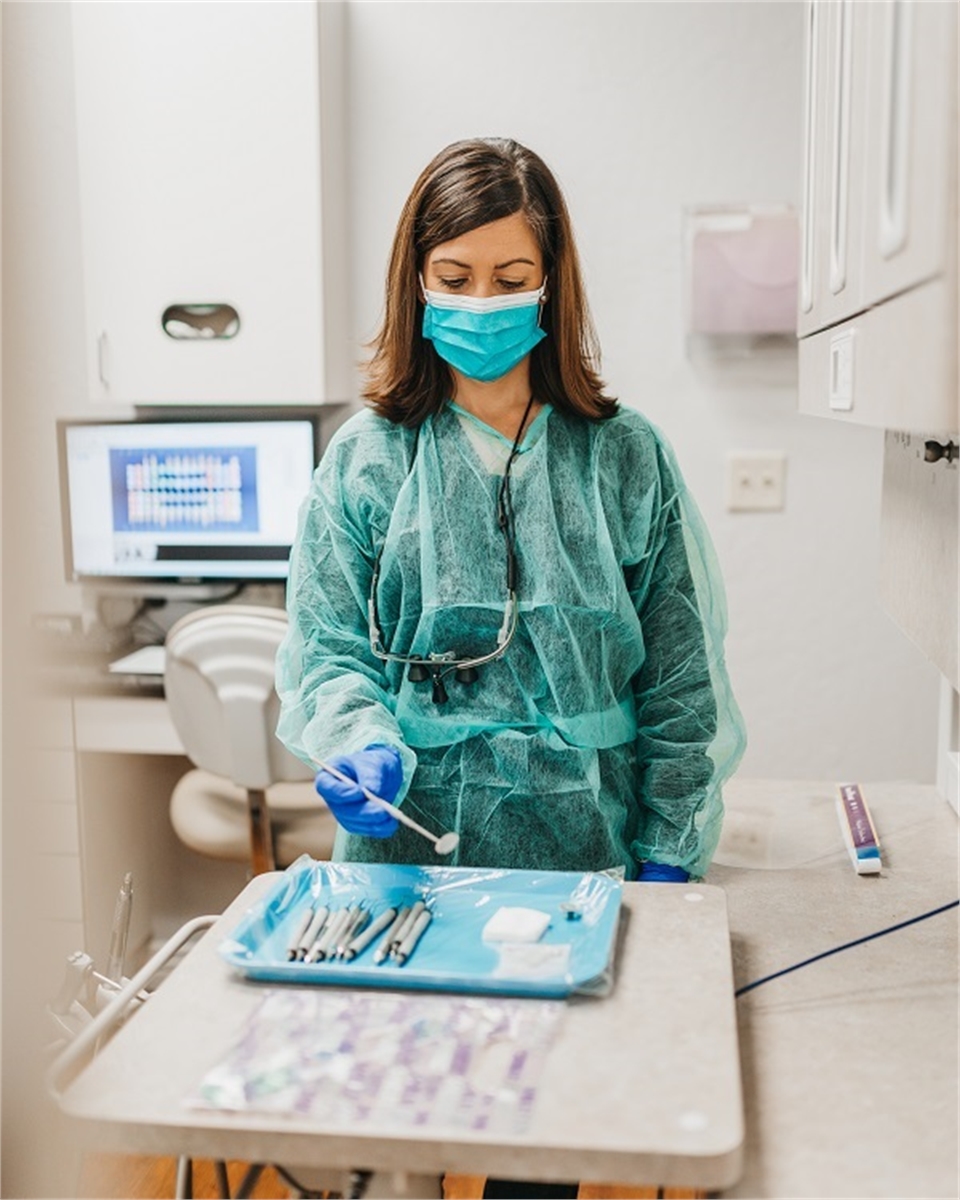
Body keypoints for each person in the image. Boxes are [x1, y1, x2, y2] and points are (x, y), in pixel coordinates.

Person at [276, 135, 745, 1200]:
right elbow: (328, 648)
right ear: (416, 282)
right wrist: (357, 738)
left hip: (583, 858)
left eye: (510, 278)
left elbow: (678, 684)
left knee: (541, 1145)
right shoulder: (364, 460)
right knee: (407, 1133)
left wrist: (668, 851)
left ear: (552, 285)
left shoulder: (625, 458)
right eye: (453, 279)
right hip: (409, 861)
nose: (480, 304)